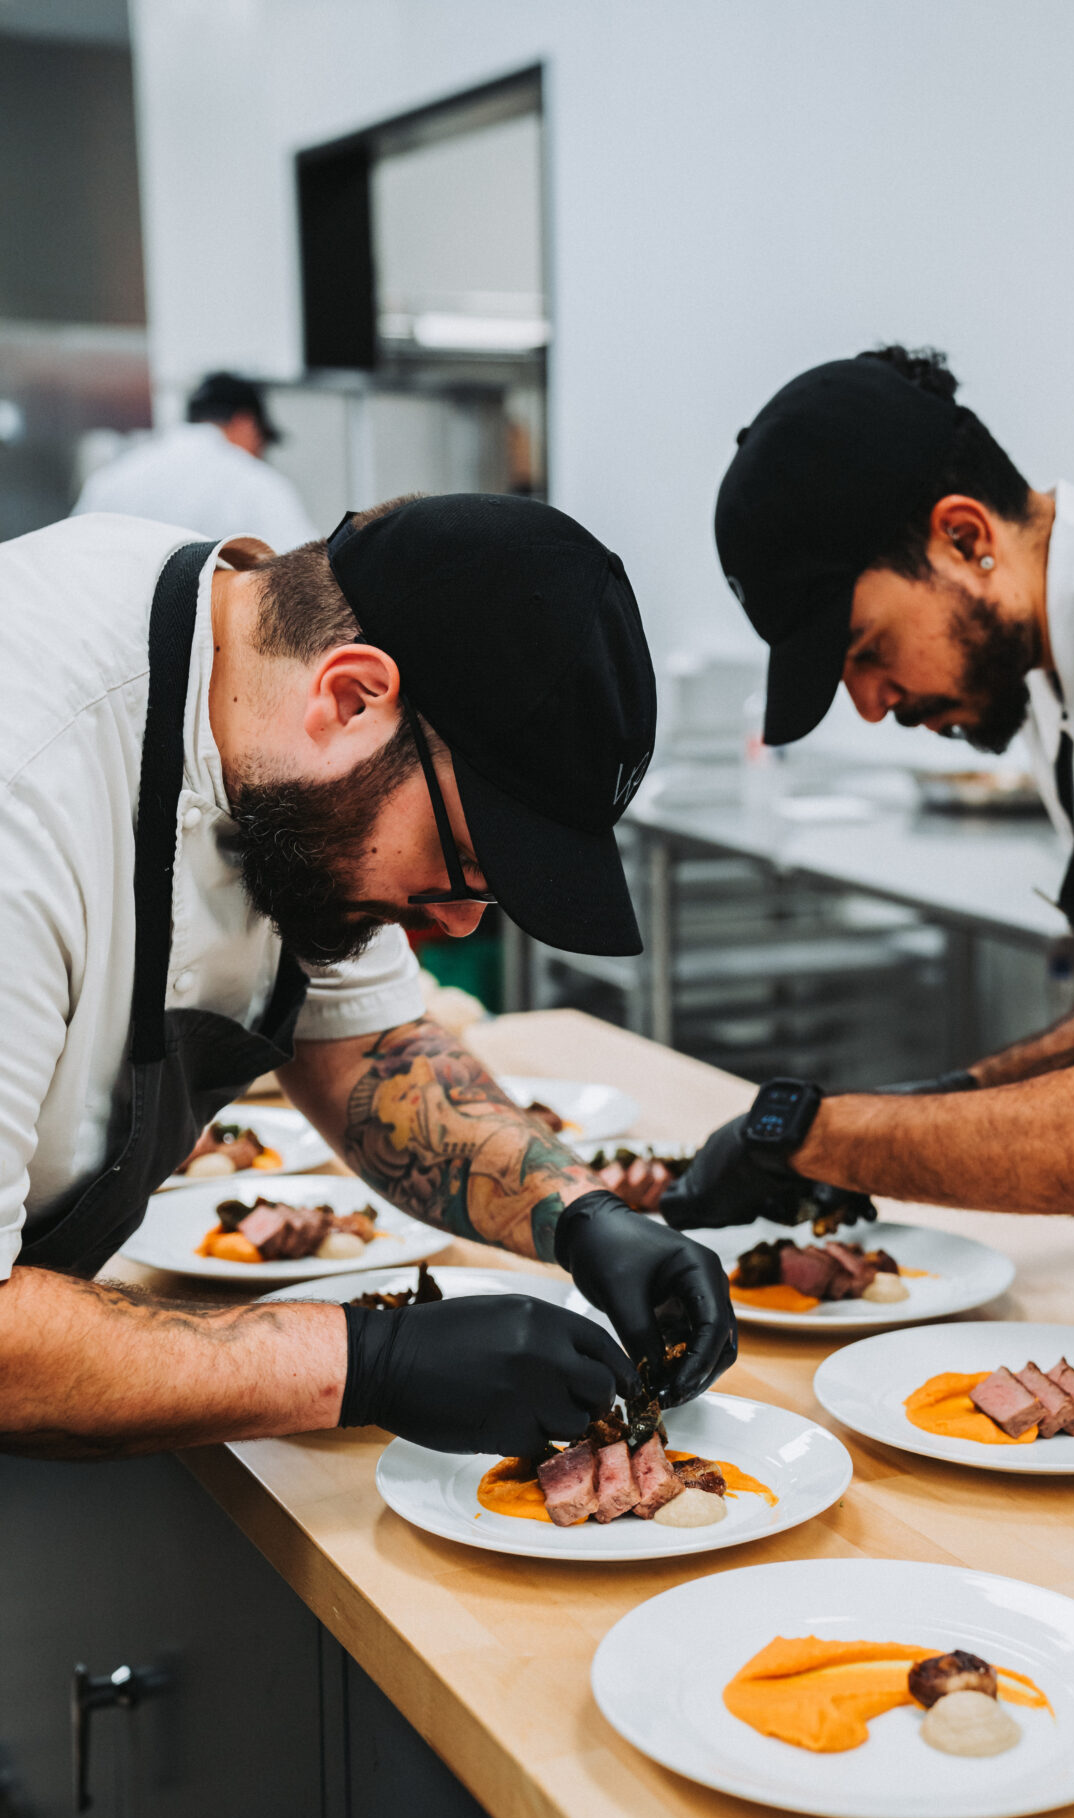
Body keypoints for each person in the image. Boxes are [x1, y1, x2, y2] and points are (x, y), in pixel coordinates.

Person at [0, 492, 735, 1458]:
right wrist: (363, 1360)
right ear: (350, 696)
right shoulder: (28, 778)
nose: (462, 920)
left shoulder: (272, 722)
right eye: (463, 860)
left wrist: (577, 1213)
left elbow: (370, 1050)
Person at [662, 345, 1074, 1296]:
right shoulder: (1064, 663)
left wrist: (812, 1137)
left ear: (963, 536)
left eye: (868, 649)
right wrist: (934, 1106)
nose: (870, 704)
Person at [74, 371, 316, 553]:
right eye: (262, 441)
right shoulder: (257, 485)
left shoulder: (112, 478)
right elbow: (304, 571)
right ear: (245, 423)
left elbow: (72, 553)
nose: (260, 454)